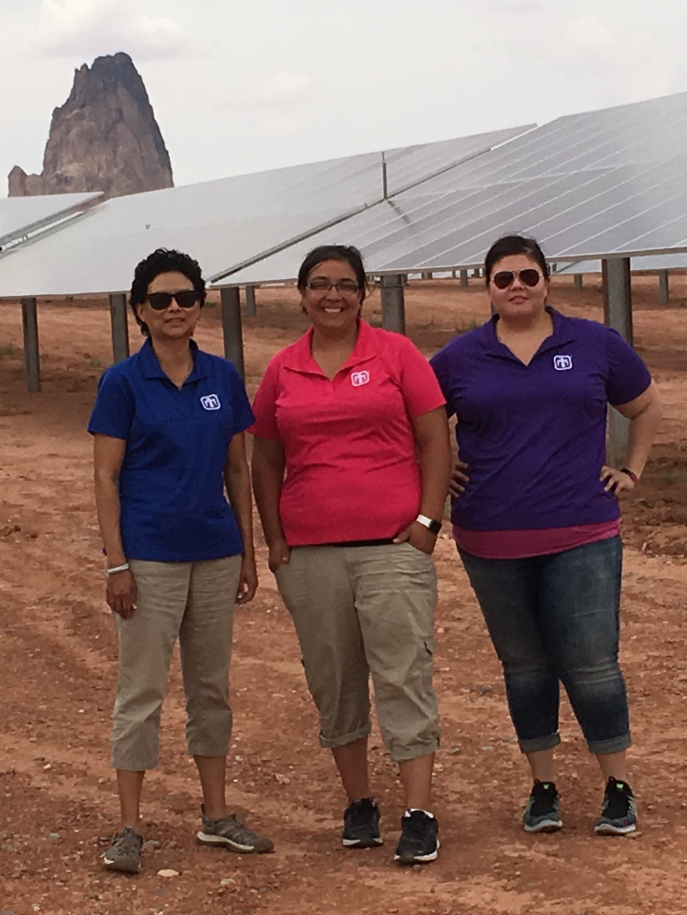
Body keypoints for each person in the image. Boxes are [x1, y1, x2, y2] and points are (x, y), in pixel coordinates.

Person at [429, 235, 663, 837]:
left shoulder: (593, 344)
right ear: (487, 287)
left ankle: (617, 788)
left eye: (527, 277)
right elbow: (419, 424)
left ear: (547, 281)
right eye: (503, 278)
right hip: (490, 536)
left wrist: (631, 468)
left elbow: (645, 406)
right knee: (525, 666)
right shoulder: (460, 358)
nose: (516, 287)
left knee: (591, 663)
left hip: (582, 531)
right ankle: (543, 788)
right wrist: (436, 464)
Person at [250, 245, 451, 865]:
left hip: (392, 549)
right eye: (318, 285)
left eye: (343, 284)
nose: (331, 295)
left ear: (362, 293)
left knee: (402, 673)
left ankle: (417, 812)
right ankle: (359, 803)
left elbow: (434, 436)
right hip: (310, 556)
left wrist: (426, 523)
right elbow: (265, 457)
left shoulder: (396, 354)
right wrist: (276, 540)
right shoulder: (283, 369)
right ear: (302, 293)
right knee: (334, 681)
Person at [90, 248, 273, 874]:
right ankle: (129, 827)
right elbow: (106, 478)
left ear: (200, 306)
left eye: (186, 298)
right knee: (140, 690)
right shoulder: (122, 382)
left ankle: (216, 815)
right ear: (139, 309)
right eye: (161, 300)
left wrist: (247, 552)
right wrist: (117, 563)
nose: (175, 309)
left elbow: (236, 469)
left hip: (215, 554)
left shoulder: (222, 378)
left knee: (210, 687)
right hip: (149, 559)